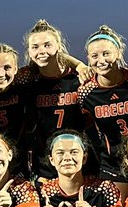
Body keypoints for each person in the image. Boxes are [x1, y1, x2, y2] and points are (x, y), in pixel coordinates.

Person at [78, 26, 128, 199]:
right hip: (112, 161)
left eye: (106, 53)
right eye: (95, 56)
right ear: (88, 59)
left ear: (119, 53)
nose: (101, 60)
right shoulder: (86, 92)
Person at [24, 20, 87, 179]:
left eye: (47, 45)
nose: (41, 51)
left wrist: (79, 65)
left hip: (79, 158)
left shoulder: (79, 78)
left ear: (58, 46)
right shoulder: (27, 81)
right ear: (29, 52)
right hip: (46, 162)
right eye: (35, 47)